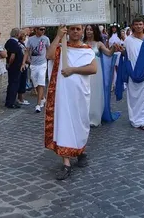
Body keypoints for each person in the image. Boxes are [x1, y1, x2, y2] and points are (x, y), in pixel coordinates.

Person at [45, 25, 97, 181]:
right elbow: (49, 55)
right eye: (72, 29)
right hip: (63, 95)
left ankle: (80, 151)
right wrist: (58, 36)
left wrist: (73, 70)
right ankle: (66, 163)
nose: (75, 31)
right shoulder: (62, 49)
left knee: (80, 123)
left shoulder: (87, 49)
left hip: (80, 95)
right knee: (65, 125)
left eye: (78, 29)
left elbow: (93, 69)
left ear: (82, 32)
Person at [115, 16, 144, 130]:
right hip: (132, 72)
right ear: (133, 26)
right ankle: (134, 119)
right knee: (133, 97)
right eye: (136, 24)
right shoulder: (128, 40)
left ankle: (143, 121)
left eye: (140, 24)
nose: (138, 26)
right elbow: (127, 55)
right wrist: (121, 51)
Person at [84, 25, 117, 126]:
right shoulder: (81, 44)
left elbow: (109, 53)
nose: (89, 32)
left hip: (96, 74)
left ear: (94, 32)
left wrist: (113, 48)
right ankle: (84, 116)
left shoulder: (99, 44)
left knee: (95, 94)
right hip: (84, 71)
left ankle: (94, 117)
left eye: (91, 30)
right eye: (87, 30)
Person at [26, 27, 50, 113]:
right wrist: (24, 61)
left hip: (42, 63)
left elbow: (49, 49)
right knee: (35, 82)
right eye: (41, 29)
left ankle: (38, 104)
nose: (43, 31)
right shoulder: (31, 39)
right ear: (36, 30)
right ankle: (42, 97)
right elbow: (27, 50)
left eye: (44, 29)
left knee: (41, 82)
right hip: (33, 64)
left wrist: (48, 58)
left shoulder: (46, 39)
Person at [5, 28, 25, 109]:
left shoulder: (12, 42)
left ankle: (11, 100)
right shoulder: (13, 43)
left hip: (15, 66)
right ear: (17, 34)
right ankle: (11, 102)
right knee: (14, 84)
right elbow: (12, 56)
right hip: (14, 67)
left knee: (13, 84)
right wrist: (9, 64)